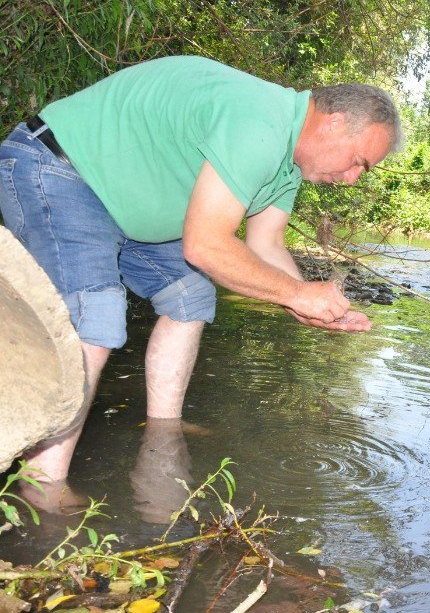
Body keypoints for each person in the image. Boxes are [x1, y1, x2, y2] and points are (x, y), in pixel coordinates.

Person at [0, 55, 402, 487]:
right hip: (57, 167)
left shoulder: (288, 164)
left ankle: (162, 434)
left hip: (121, 205)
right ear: (334, 123)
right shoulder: (259, 121)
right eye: (359, 161)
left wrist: (308, 301)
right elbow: (206, 245)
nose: (353, 179)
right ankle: (43, 492)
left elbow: (264, 245)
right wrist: (297, 294)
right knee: (95, 318)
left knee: (191, 295)